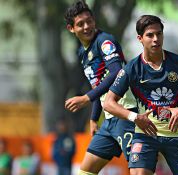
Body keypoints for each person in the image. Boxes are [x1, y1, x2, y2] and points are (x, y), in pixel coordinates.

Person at [104, 15, 178, 175]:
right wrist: (135, 117)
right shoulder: (131, 68)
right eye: (150, 35)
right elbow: (109, 103)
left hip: (174, 134)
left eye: (159, 34)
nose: (155, 39)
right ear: (140, 38)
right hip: (145, 135)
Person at [63, 1, 137, 174]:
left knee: (140, 170)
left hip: (126, 113)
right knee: (86, 170)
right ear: (71, 28)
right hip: (109, 120)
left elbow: (116, 72)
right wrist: (94, 118)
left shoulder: (104, 41)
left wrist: (86, 98)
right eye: (80, 24)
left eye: (89, 21)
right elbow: (98, 85)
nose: (87, 26)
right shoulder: (82, 52)